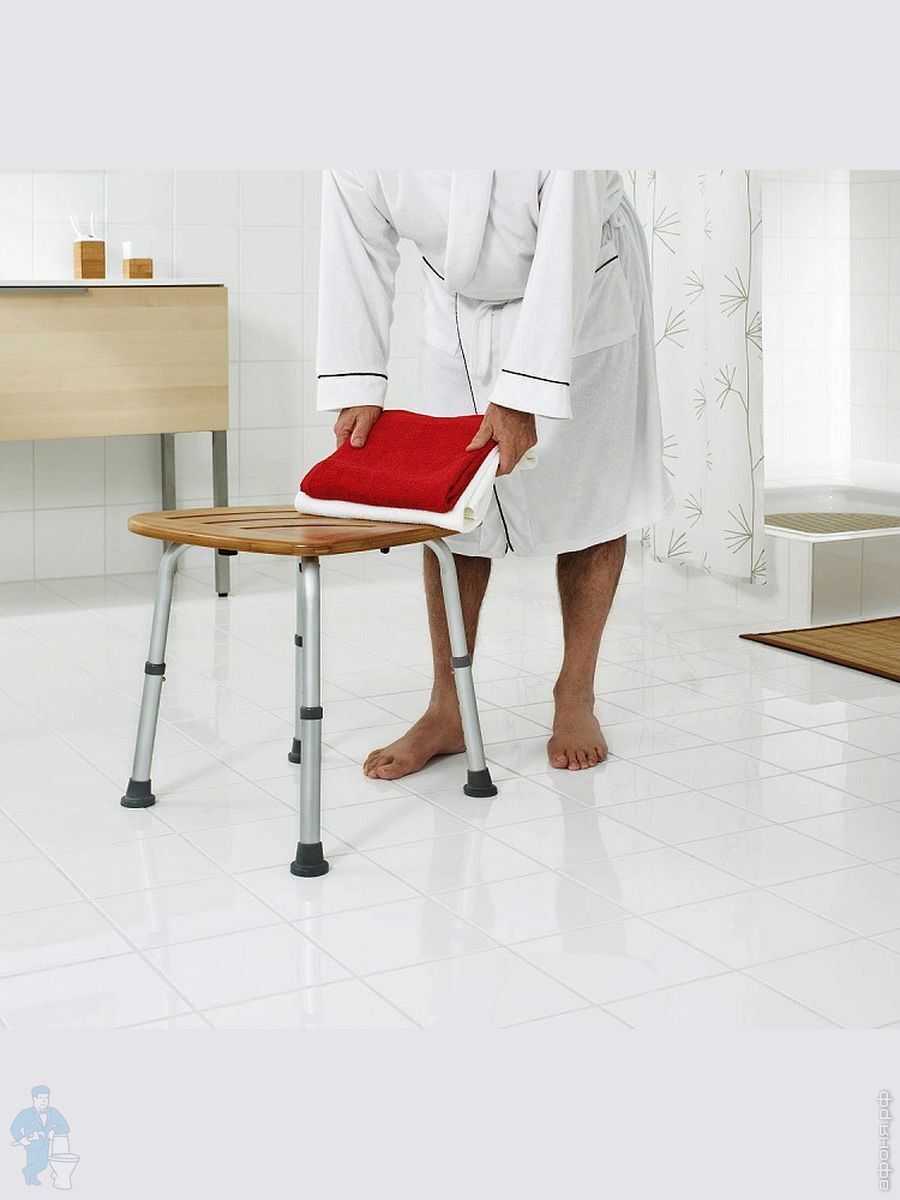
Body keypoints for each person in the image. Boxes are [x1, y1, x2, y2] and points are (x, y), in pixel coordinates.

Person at [316, 170, 673, 778]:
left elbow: (568, 236)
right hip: (457, 302)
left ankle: (576, 691)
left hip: (581, 280)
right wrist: (357, 382)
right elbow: (355, 241)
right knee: (451, 502)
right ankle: (447, 707)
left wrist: (524, 392)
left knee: (591, 492)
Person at [10, 1086, 70, 1187]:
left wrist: (54, 1131)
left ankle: (26, 1171)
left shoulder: (53, 1112)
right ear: (34, 1099)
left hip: (47, 1145)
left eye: (46, 1098)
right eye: (41, 1098)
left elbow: (66, 1127)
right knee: (32, 1162)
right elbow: (14, 1127)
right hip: (32, 1145)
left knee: (43, 1164)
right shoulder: (26, 1113)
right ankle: (32, 1178)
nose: (44, 1101)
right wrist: (21, 1139)